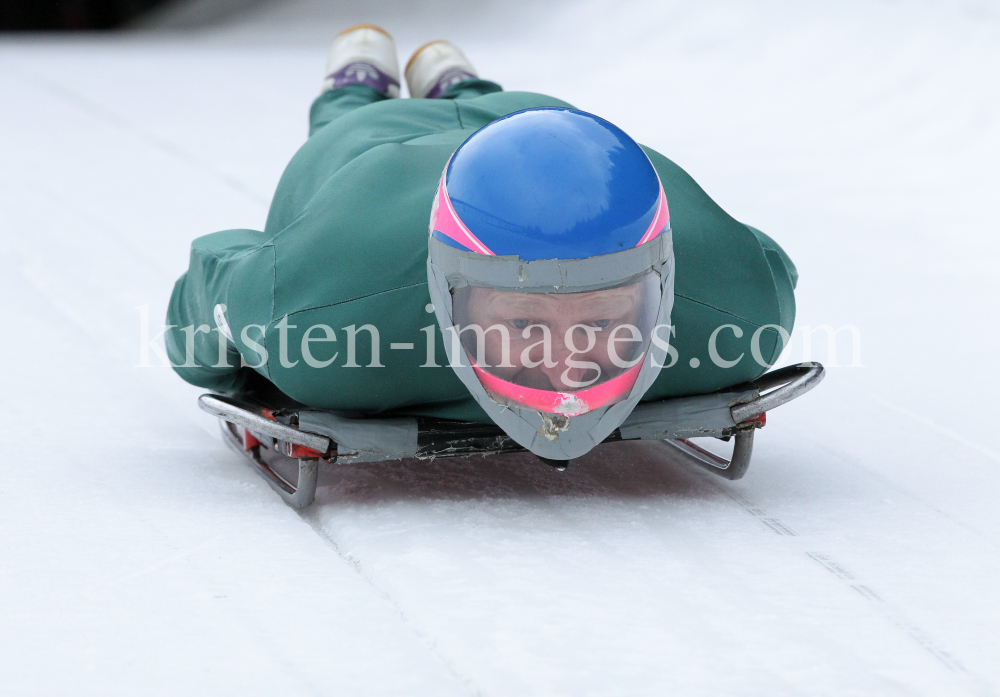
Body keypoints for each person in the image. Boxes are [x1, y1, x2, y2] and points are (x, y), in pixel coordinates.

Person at [166, 24, 798, 459]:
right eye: (524, 325)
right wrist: (221, 354)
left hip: (538, 125)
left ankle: (461, 88)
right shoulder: (315, 318)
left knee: (507, 113)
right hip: (375, 151)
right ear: (447, 296)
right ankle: (357, 87)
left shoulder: (741, 310)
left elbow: (758, 264)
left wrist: (244, 378)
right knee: (347, 121)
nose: (569, 368)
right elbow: (217, 270)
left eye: (606, 320)